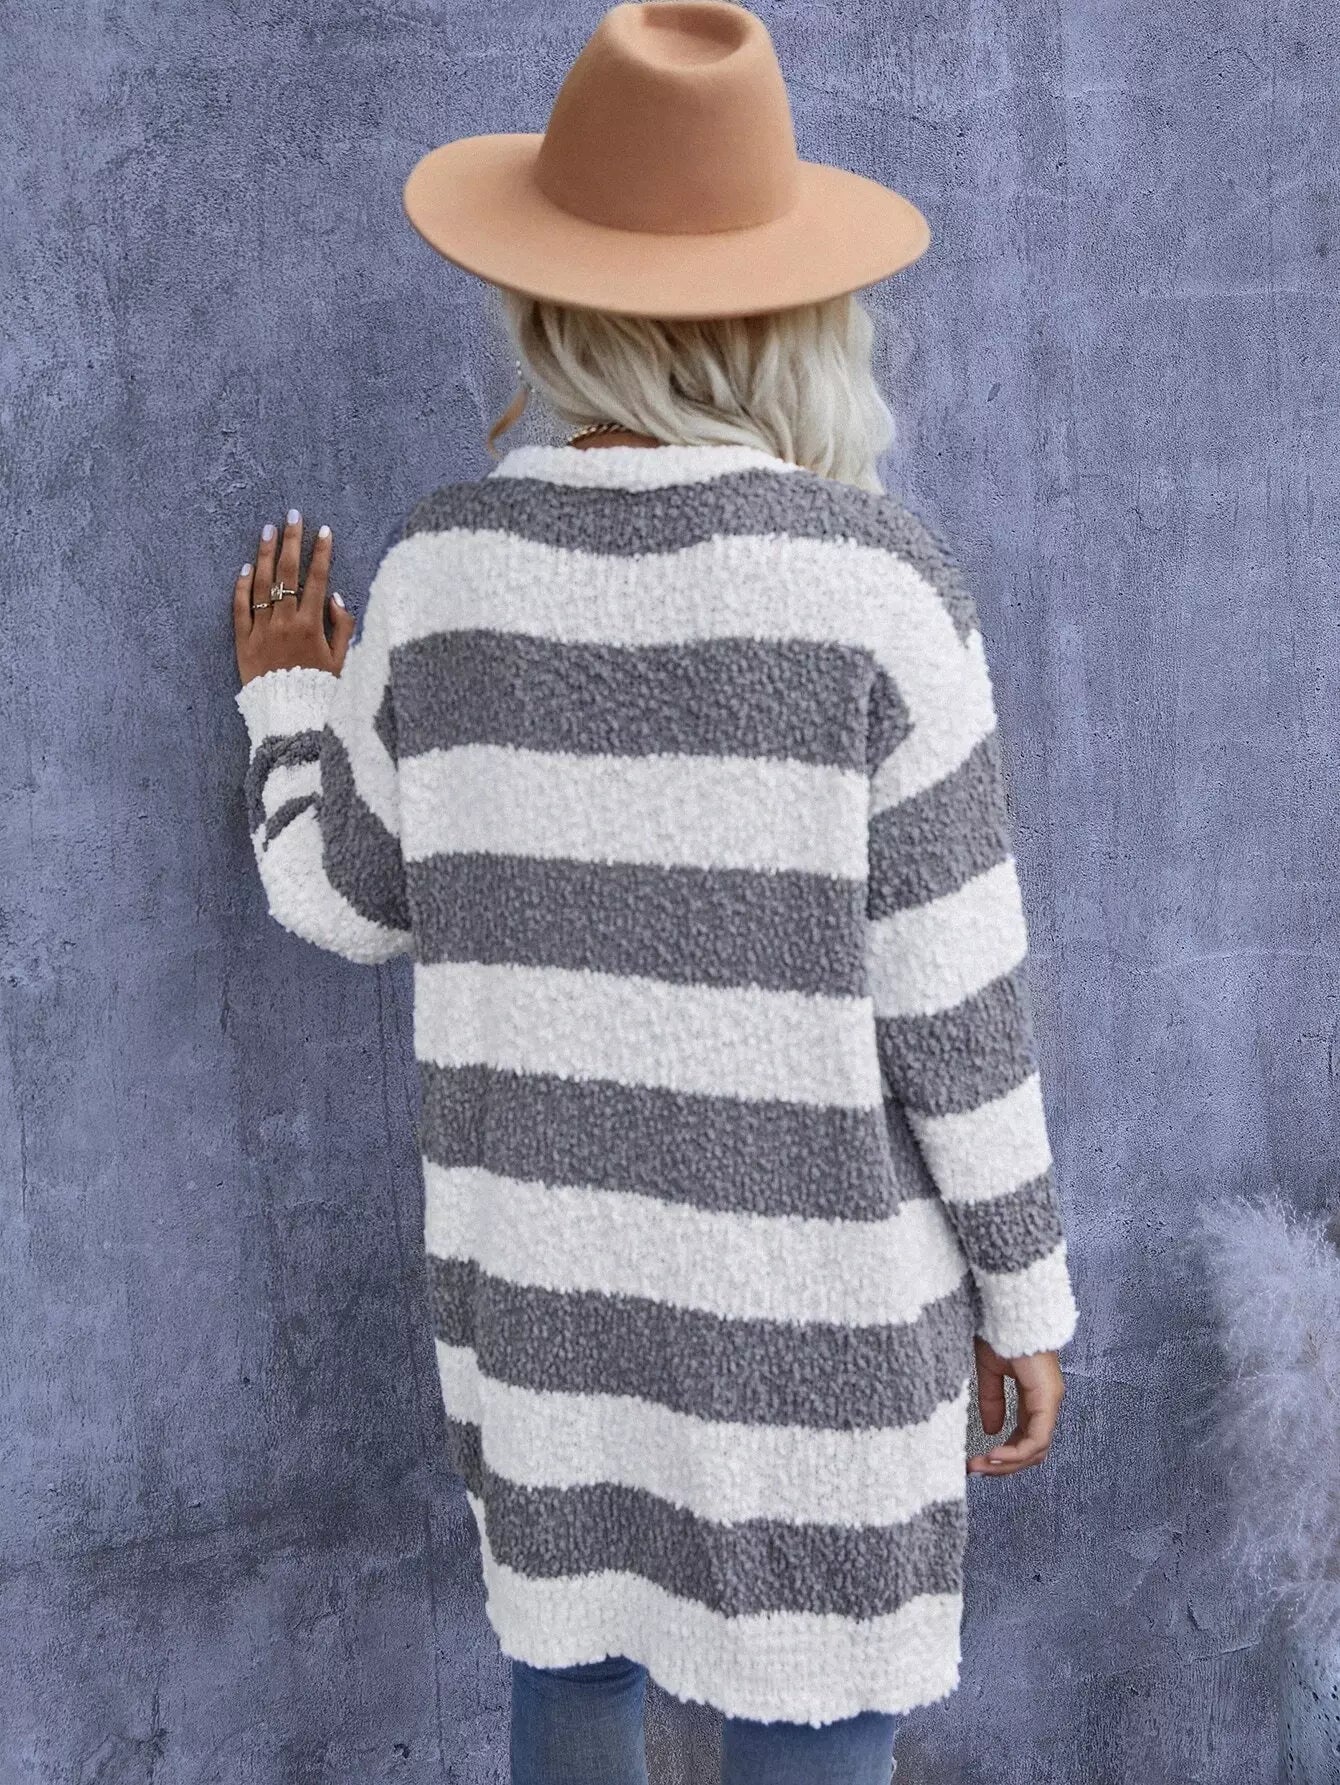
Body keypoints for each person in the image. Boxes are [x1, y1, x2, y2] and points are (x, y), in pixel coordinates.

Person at [229, 4, 1082, 1781]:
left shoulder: (443, 573)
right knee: (816, 1712)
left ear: (548, 301)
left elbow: (346, 892)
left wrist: (292, 700)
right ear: (793, 309)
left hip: (549, 1311)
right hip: (817, 1330)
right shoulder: (880, 593)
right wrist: (1028, 1299)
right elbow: (958, 1015)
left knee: (573, 1673)